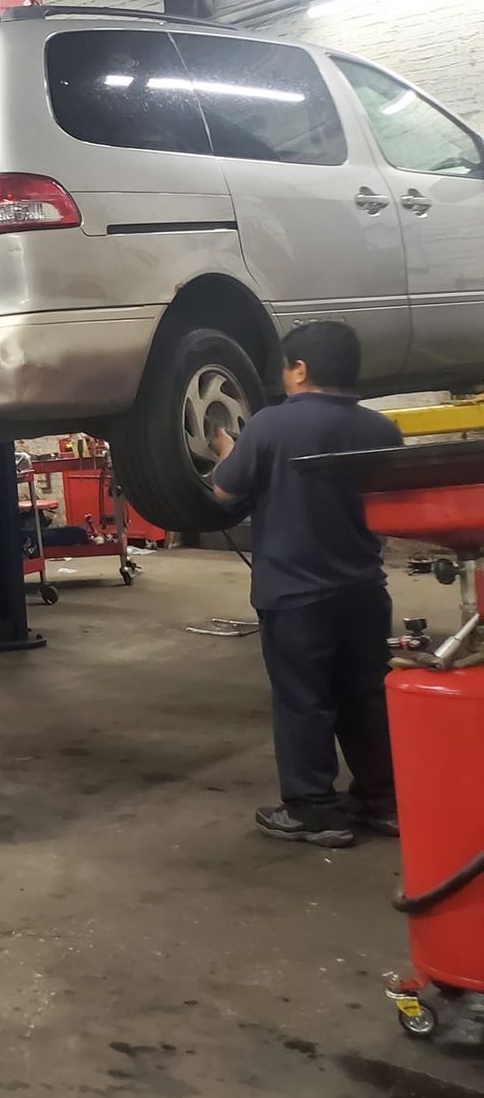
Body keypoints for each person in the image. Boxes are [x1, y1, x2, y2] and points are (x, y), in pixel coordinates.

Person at [210, 320, 403, 849]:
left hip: (297, 594)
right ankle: (384, 803)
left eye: (286, 367)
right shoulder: (382, 431)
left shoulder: (270, 426)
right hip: (365, 589)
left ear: (300, 369)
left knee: (304, 700)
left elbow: (225, 493)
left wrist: (228, 448)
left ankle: (317, 812)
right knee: (366, 696)